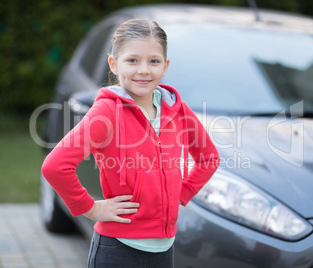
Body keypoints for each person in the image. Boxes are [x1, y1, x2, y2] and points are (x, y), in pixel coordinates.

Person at [41, 18, 220, 268]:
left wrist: (182, 192)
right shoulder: (106, 112)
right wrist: (91, 208)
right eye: (132, 60)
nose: (144, 70)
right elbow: (55, 166)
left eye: (154, 61)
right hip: (117, 249)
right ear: (114, 64)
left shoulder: (177, 110)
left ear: (165, 66)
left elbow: (209, 157)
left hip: (164, 250)